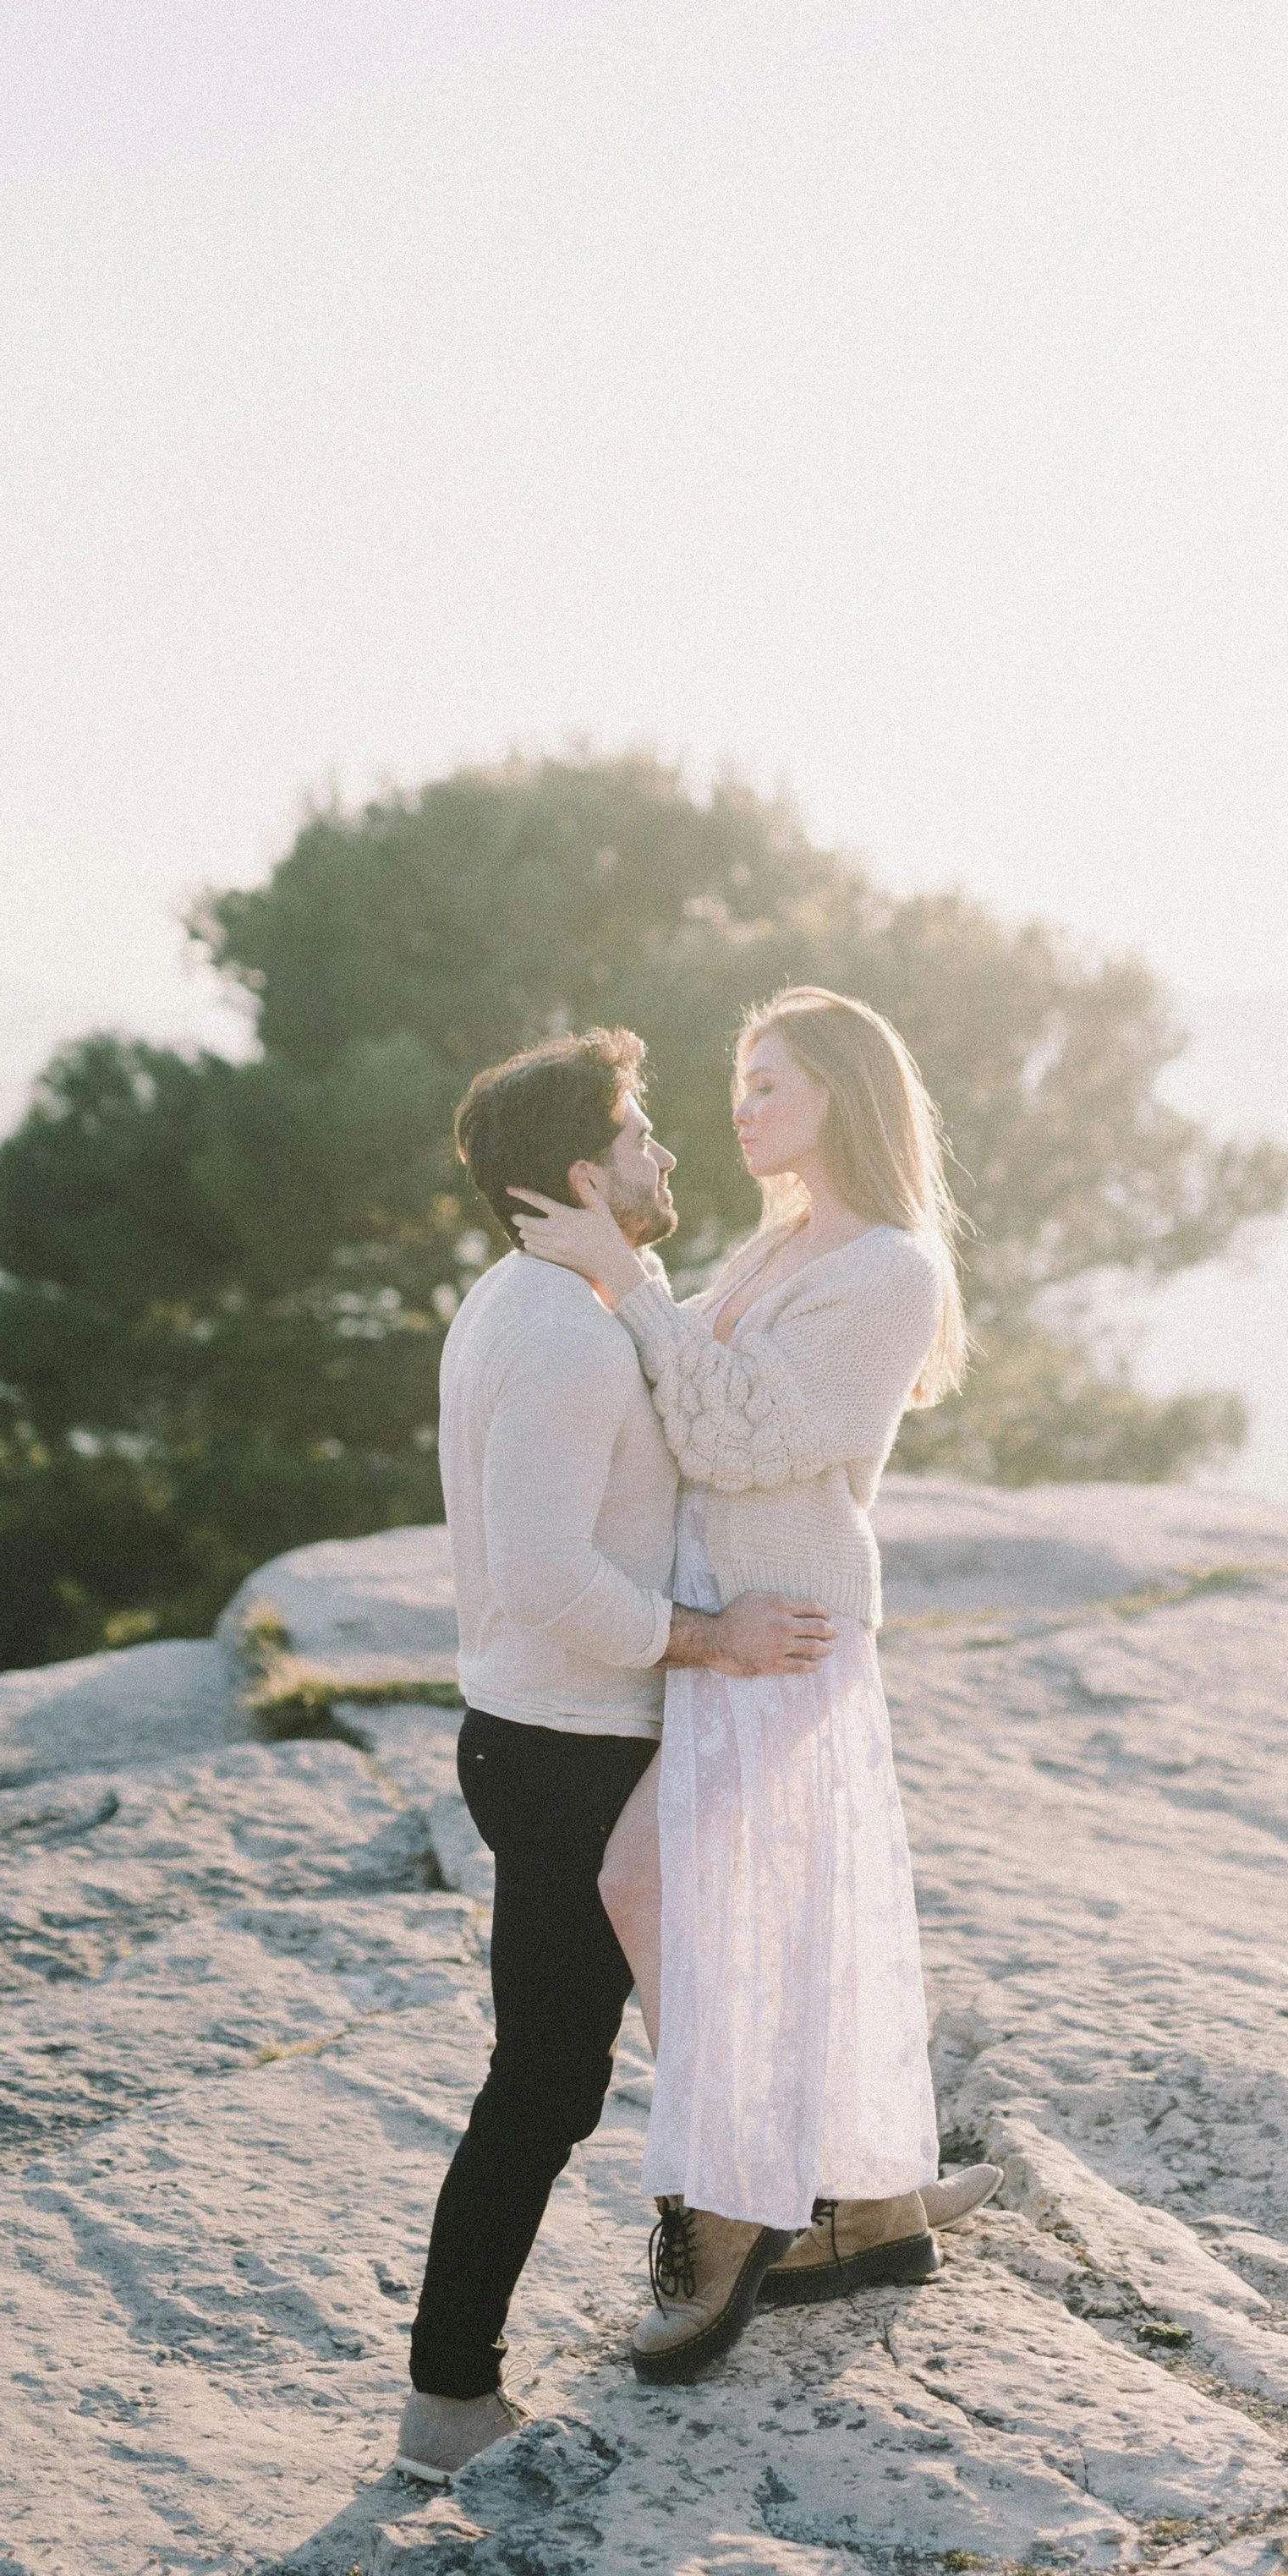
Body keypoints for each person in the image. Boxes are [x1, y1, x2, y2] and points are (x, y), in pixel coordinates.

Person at [512, 986, 995, 2387]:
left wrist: (629, 1279)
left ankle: (740, 2198)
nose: (742, 1108)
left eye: (770, 1082)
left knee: (647, 1884)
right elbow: (688, 1407)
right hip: (734, 1629)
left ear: (842, 1093)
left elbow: (735, 1435)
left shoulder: (888, 1268)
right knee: (755, 1908)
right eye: (738, 1080)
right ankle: (863, 2199)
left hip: (787, 1631)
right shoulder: (784, 1242)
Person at [394, 1029, 836, 2481]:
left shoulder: (529, 1302)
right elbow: (541, 1576)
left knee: (640, 2026)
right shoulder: (564, 1333)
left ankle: (816, 2205)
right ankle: (449, 2398)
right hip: (566, 1750)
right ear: (586, 1171)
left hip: (549, 1739)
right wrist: (712, 1639)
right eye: (644, 1136)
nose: (667, 1154)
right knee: (545, 2082)